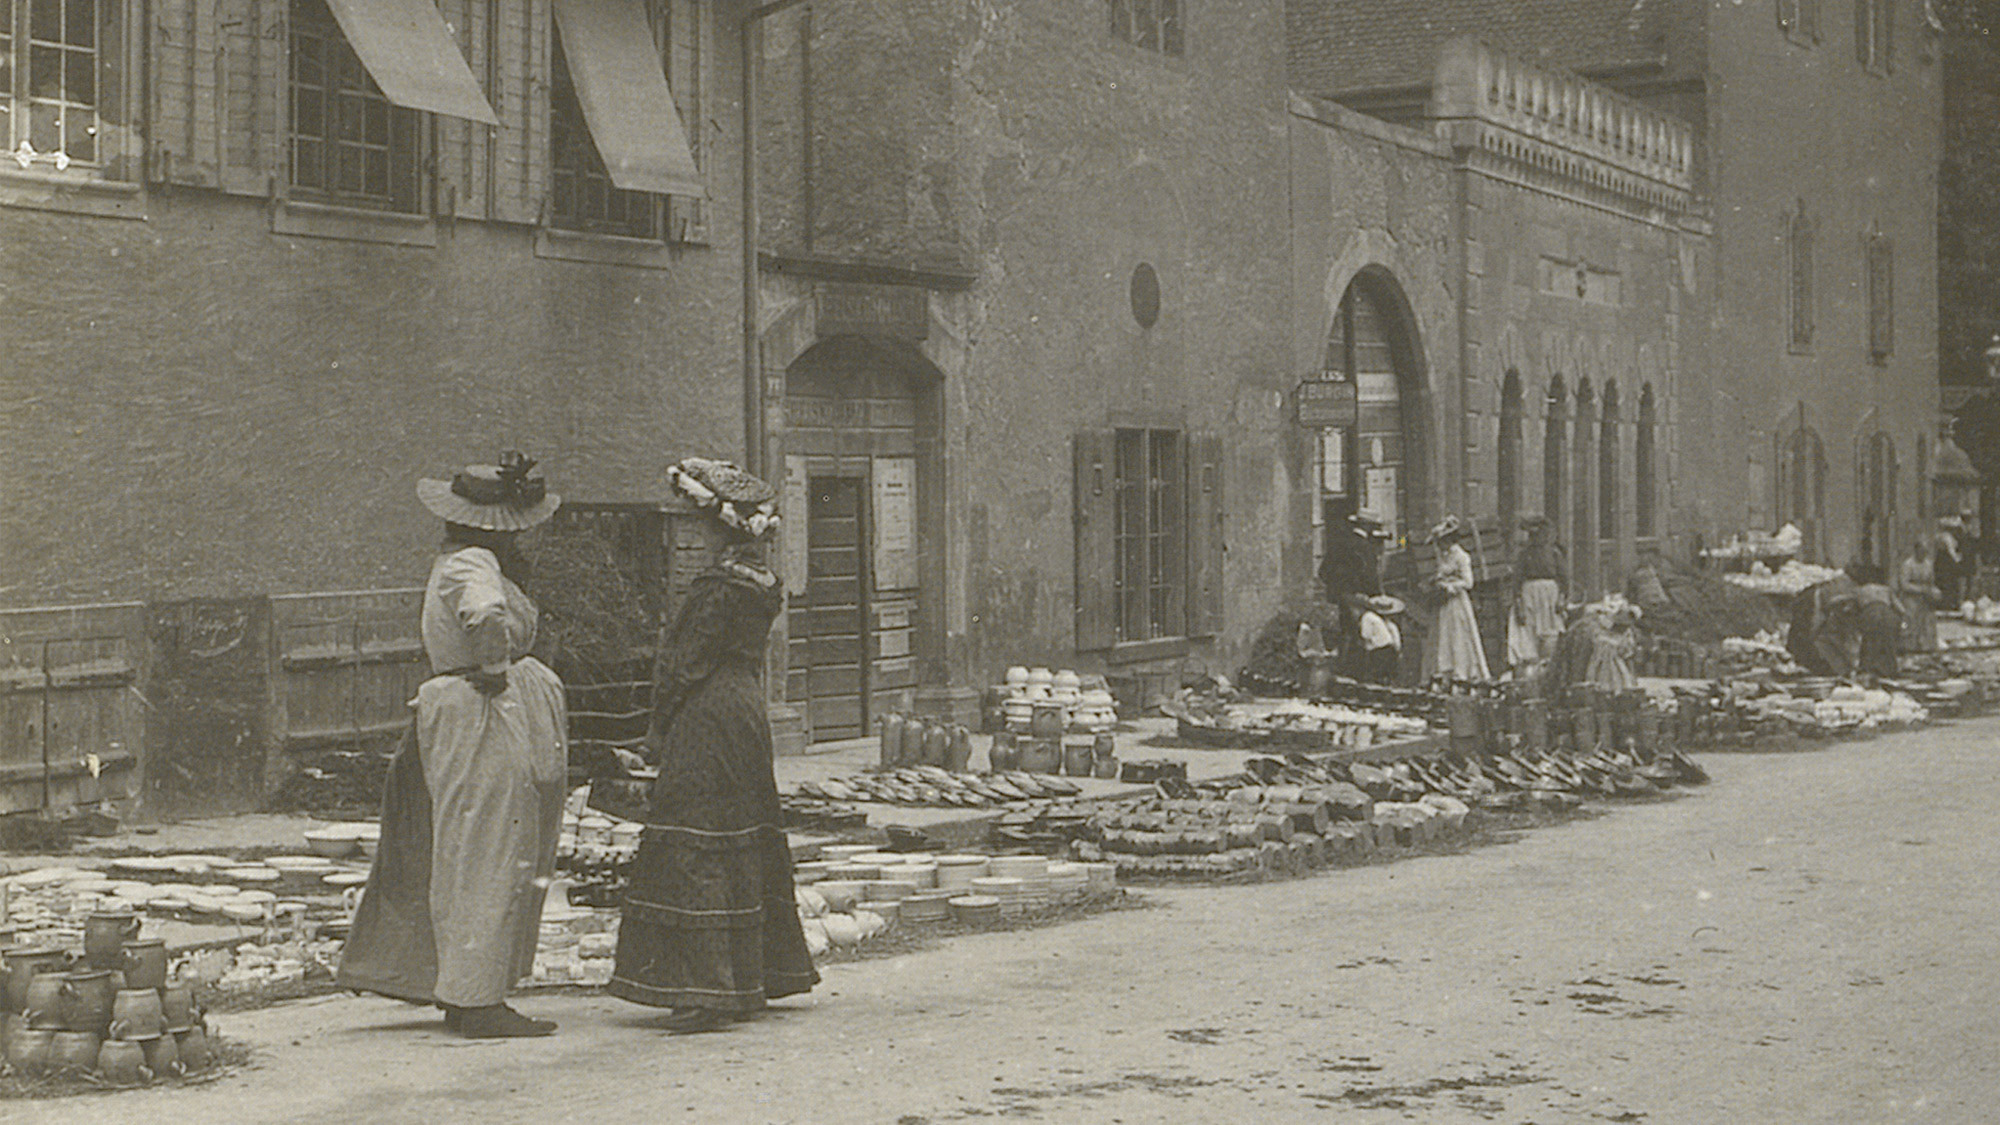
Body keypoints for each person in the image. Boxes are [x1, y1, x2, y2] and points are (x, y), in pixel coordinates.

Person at [338, 452, 570, 1038]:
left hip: (472, 709)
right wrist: (494, 666)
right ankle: (476, 999)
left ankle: (469, 985)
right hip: (482, 712)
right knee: (487, 847)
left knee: (476, 844)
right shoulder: (473, 562)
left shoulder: (460, 559)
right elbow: (484, 614)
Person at [604, 458, 818, 1032]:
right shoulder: (762, 583)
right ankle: (755, 976)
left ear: (718, 527)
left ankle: (704, 987)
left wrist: (656, 734)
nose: (694, 530)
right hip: (745, 710)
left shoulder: (715, 587)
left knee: (696, 833)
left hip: (708, 715)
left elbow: (683, 665)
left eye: (699, 521)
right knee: (741, 829)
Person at [1424, 515, 1491, 683]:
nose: (1440, 546)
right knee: (1442, 636)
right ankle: (1442, 673)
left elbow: (1468, 582)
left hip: (1456, 602)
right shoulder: (1444, 556)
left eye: (1442, 542)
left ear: (1449, 540)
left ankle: (1461, 672)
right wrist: (1436, 581)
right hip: (1443, 602)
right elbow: (1442, 573)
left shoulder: (1461, 556)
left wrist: (1451, 587)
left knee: (1457, 635)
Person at [1506, 515, 1566, 682]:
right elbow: (1517, 580)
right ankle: (1527, 678)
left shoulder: (1554, 554)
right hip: (1529, 596)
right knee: (1526, 634)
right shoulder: (1524, 555)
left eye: (1540, 535)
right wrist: (1518, 604)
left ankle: (1547, 674)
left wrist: (1561, 599)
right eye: (1533, 536)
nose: (1537, 539)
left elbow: (1564, 578)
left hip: (1550, 597)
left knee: (1550, 635)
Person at [1894, 539, 1940, 652]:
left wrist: (1934, 591)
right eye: (1922, 551)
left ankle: (1926, 646)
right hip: (1911, 598)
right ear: (1916, 550)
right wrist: (1920, 589)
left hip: (1924, 598)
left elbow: (1931, 581)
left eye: (1925, 552)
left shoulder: (1928, 564)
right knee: (1910, 622)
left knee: (1926, 622)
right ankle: (1908, 647)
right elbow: (1904, 584)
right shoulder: (1908, 564)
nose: (1924, 554)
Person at [1349, 594, 1405, 684]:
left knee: (1376, 677)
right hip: (1389, 649)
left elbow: (1365, 636)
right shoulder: (1385, 622)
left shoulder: (1367, 617)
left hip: (1380, 650)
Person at [1585, 605, 1641, 693]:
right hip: (1599, 664)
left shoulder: (1627, 634)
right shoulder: (1600, 627)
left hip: (1617, 666)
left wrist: (1632, 676)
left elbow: (1628, 656)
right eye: (1622, 624)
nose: (1623, 627)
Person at [1936, 516, 1966, 608]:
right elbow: (1951, 551)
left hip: (1945, 562)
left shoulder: (1946, 536)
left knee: (1949, 583)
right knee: (1947, 583)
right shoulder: (1946, 537)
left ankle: (1949, 603)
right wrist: (1958, 560)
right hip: (1945, 562)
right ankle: (1947, 604)